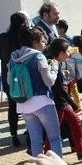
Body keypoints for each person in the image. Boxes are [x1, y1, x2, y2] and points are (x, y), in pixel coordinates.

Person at [10, 26, 62, 157]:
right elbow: (48, 82)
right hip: (42, 102)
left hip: (23, 104)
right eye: (43, 42)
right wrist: (54, 68)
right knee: (54, 138)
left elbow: (9, 81)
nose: (45, 45)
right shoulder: (39, 57)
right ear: (34, 42)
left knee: (35, 141)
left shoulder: (14, 57)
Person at [47, 38, 82, 159]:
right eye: (67, 51)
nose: (69, 54)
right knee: (54, 131)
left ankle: (81, 149)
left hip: (62, 102)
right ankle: (45, 153)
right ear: (61, 53)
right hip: (59, 103)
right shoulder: (54, 65)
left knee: (75, 122)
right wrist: (73, 104)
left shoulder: (56, 63)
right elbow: (60, 89)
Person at [0, 12, 30, 146]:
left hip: (9, 76)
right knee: (28, 105)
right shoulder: (24, 37)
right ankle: (30, 131)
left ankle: (13, 134)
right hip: (24, 77)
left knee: (12, 106)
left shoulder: (3, 37)